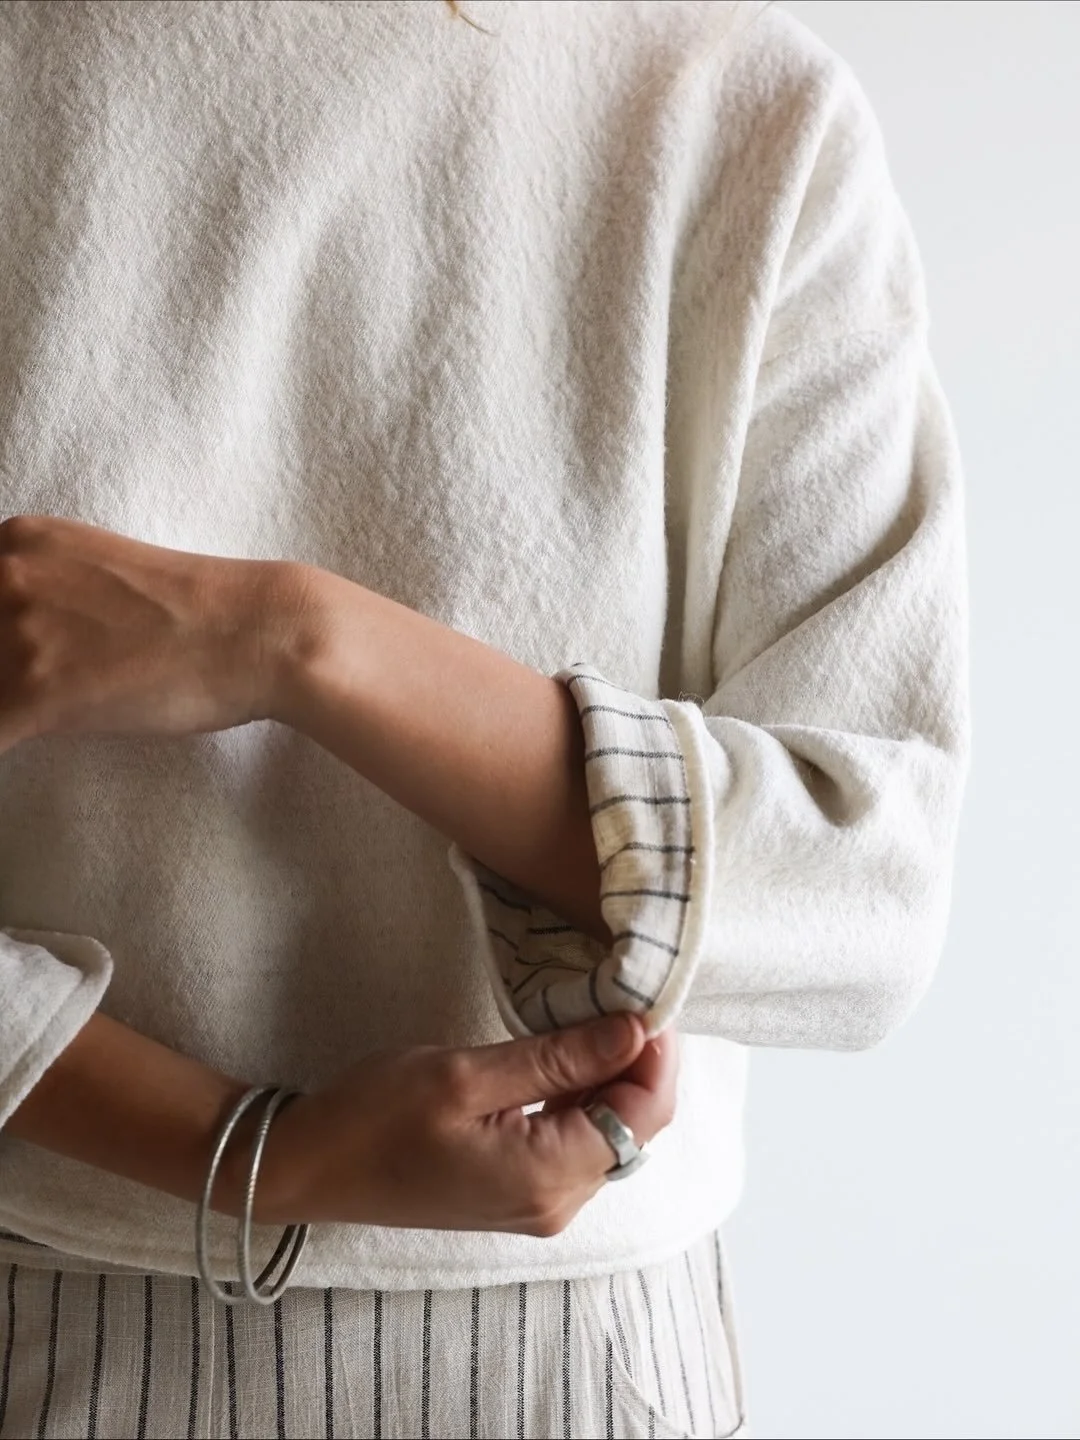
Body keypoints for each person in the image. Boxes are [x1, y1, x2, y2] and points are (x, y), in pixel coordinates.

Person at [0, 1, 969, 1436]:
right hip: (51, 1310)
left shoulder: (741, 114)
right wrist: (256, 1159)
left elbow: (864, 887)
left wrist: (289, 641)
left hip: (576, 1357)